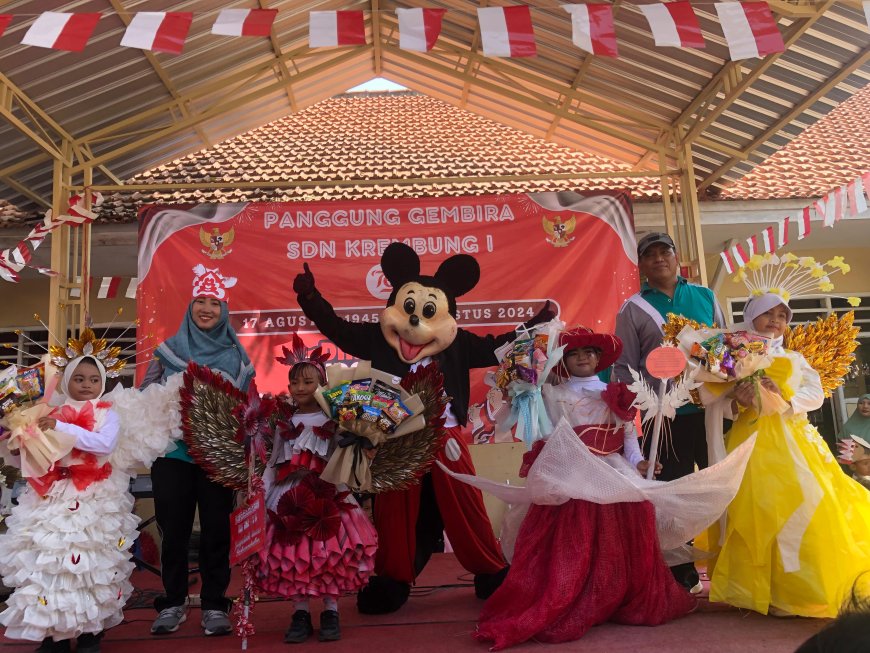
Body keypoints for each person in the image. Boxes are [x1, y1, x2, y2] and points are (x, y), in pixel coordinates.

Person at [473, 327, 695, 650]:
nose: (583, 358)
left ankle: (611, 594)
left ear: (599, 359)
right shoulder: (552, 395)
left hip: (612, 473)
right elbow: (542, 435)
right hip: (572, 476)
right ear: (564, 360)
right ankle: (572, 595)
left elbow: (628, 443)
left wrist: (640, 464)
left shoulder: (616, 392)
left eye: (589, 353)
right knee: (573, 541)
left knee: (619, 538)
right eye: (575, 354)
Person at [0, 336, 178, 653]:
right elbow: (30, 457)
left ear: (103, 381)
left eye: (94, 379)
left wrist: (60, 427)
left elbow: (103, 445)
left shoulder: (108, 414)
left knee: (93, 565)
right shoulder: (47, 410)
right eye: (79, 379)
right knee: (52, 563)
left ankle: (89, 633)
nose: (87, 384)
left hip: (96, 496)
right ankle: (51, 632)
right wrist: (20, 436)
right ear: (67, 380)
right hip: (53, 494)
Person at [703, 293, 870, 617]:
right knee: (757, 509)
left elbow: (816, 393)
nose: (776, 320)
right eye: (768, 313)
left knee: (803, 505)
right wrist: (737, 398)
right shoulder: (732, 354)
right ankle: (764, 591)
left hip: (794, 444)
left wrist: (783, 399)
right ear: (750, 317)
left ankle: (798, 588)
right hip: (750, 440)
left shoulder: (795, 359)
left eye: (782, 315)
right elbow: (715, 399)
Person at [143, 265, 255, 636]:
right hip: (173, 456)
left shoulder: (237, 360)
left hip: (218, 459)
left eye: (214, 303)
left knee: (216, 532)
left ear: (224, 310)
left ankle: (214, 604)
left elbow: (248, 409)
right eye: (200, 302)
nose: (206, 308)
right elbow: (145, 396)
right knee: (173, 530)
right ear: (190, 307)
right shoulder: (169, 350)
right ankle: (172, 603)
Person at [613, 231, 725, 593]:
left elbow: (728, 347)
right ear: (641, 265)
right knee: (671, 496)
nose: (659, 258)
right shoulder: (633, 309)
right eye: (651, 255)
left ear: (677, 258)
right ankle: (681, 575)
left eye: (665, 252)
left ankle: (728, 570)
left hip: (712, 413)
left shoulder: (706, 296)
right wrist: (626, 416)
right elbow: (624, 367)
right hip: (663, 418)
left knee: (719, 490)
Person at [258, 336, 377, 643]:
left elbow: (349, 456)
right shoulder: (283, 419)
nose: (300, 388)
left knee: (327, 555)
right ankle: (300, 613)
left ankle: (331, 611)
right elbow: (273, 460)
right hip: (289, 498)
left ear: (323, 384)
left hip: (328, 495)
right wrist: (263, 490)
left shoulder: (337, 419)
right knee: (295, 553)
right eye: (294, 382)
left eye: (308, 382)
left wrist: (364, 443)